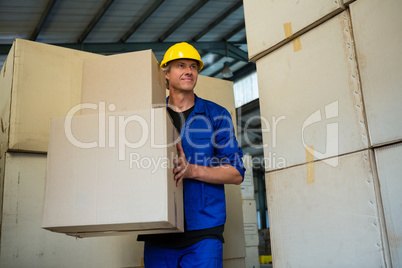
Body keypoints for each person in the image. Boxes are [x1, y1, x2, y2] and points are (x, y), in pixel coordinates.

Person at [137, 42, 245, 268]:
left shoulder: (216, 115)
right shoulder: (149, 116)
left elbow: (236, 173)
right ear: (165, 73)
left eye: (193, 67)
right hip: (158, 230)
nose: (189, 71)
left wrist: (192, 170)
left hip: (203, 232)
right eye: (181, 65)